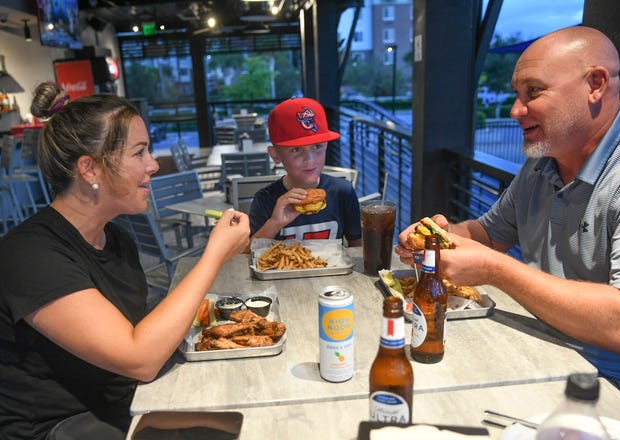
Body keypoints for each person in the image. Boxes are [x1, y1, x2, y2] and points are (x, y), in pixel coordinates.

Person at [397, 26, 620, 418]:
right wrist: (438, 235)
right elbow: (489, 234)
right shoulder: (542, 163)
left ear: (595, 85)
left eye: (533, 93)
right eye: (517, 95)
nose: (515, 110)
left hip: (619, 393)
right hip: (537, 352)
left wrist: (495, 270)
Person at [0, 82, 250, 439]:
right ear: (90, 169)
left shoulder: (116, 238)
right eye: (139, 153)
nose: (153, 165)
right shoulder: (29, 256)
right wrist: (213, 255)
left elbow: (138, 334)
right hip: (61, 426)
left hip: (124, 400)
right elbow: (140, 358)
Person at [249, 97, 362, 246]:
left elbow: (357, 246)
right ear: (275, 155)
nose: (309, 160)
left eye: (317, 147)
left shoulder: (343, 192)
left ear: (326, 146)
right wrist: (274, 222)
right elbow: (248, 254)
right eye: (296, 149)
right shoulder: (264, 199)